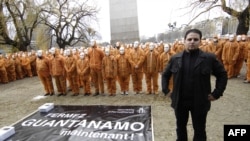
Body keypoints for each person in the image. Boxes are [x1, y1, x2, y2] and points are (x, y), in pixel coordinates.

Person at [161, 29, 228, 141]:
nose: (192, 41)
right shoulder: (175, 58)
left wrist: (217, 93)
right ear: (184, 41)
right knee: (180, 128)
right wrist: (166, 90)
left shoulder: (208, 58)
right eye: (189, 39)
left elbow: (222, 75)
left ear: (200, 41)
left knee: (200, 129)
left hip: (200, 101)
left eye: (195, 39)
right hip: (180, 101)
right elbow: (165, 74)